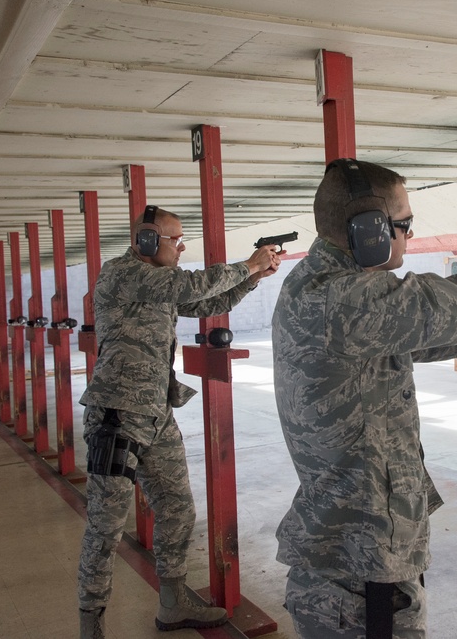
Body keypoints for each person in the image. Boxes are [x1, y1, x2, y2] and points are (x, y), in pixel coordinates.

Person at [272, 159, 457, 638]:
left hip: (356, 561)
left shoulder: (332, 290)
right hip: (359, 577)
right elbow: (446, 308)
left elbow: (436, 336)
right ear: (370, 230)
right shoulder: (338, 297)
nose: (409, 235)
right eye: (404, 224)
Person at [77, 205, 284, 638]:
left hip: (155, 413)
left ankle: (172, 603)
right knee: (105, 525)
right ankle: (90, 621)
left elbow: (206, 300)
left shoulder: (157, 284)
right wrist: (247, 263)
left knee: (176, 508)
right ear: (147, 241)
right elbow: (189, 284)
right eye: (176, 239)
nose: (182, 246)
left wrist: (253, 278)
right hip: (117, 416)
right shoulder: (122, 274)